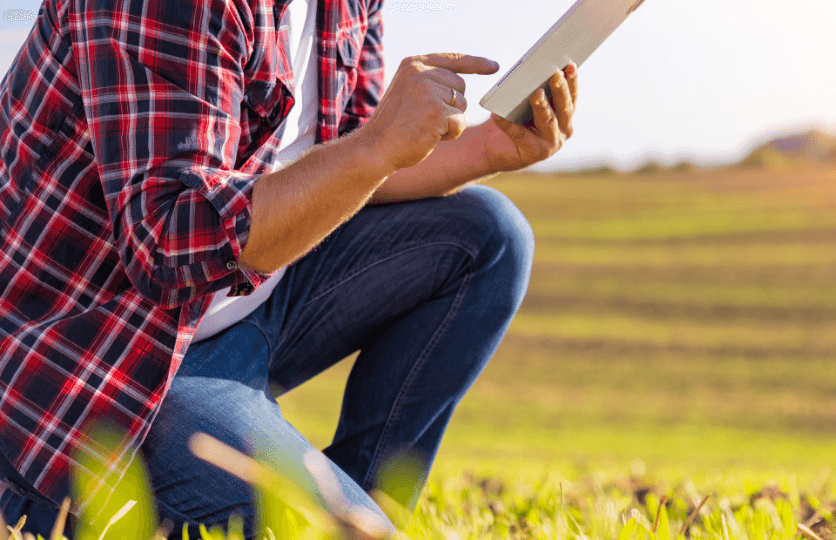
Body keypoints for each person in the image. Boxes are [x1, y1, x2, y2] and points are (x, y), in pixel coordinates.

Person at [0, 0, 578, 535]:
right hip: (101, 363)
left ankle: (364, 503)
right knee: (337, 529)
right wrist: (376, 145)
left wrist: (486, 150)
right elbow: (169, 243)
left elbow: (345, 161)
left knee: (488, 233)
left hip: (245, 303)